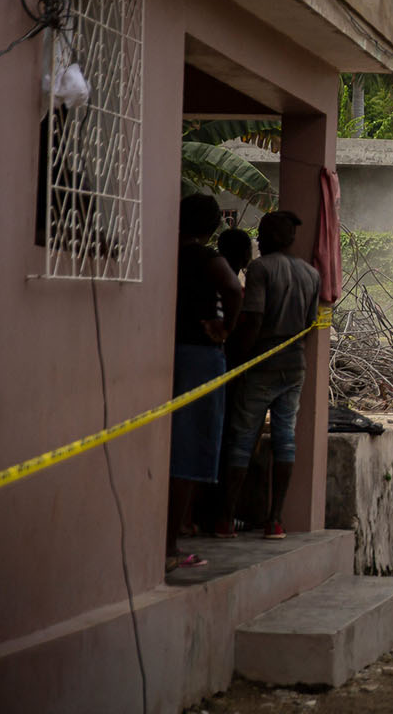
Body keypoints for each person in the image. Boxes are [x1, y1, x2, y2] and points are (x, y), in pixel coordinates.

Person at [217, 210, 320, 541]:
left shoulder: (261, 269)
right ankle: (274, 521)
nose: (257, 241)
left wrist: (238, 361)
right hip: (294, 365)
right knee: (285, 439)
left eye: (260, 235)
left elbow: (254, 320)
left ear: (269, 237)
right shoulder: (310, 274)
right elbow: (307, 326)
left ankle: (226, 520)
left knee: (242, 439)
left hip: (261, 364)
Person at [168, 195, 242, 572]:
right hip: (199, 355)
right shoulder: (206, 258)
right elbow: (233, 289)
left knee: (171, 443)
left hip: (167, 351)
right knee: (191, 445)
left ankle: (174, 530)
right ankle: (169, 546)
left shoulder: (164, 250)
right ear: (213, 226)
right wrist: (227, 328)